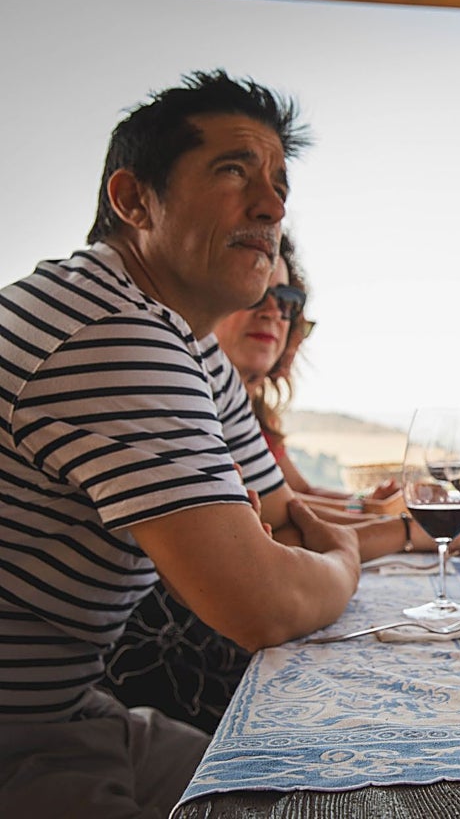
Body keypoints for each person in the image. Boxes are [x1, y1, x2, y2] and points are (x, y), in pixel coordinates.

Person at [0, 70, 360, 817]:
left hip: (68, 710)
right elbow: (260, 602)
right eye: (234, 171)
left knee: (306, 792)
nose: (272, 206)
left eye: (279, 184)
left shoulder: (183, 342)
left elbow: (282, 519)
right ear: (133, 200)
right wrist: (346, 565)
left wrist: (321, 552)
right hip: (19, 737)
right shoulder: (111, 331)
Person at [102, 235, 460, 732]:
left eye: (286, 302)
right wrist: (406, 529)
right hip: (165, 654)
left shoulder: (243, 407)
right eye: (256, 293)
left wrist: (377, 512)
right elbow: (283, 530)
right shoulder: (176, 392)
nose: (272, 313)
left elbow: (293, 504)